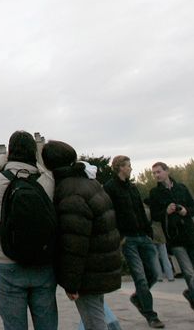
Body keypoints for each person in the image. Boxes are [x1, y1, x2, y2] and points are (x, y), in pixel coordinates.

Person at [0, 130, 57, 330]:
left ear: (9, 152)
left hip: (7, 262)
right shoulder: (47, 182)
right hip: (42, 262)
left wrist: (5, 157)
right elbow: (43, 171)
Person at [43, 141, 122, 330]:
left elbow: (75, 243)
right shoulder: (88, 182)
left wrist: (71, 283)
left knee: (94, 324)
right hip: (100, 263)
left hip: (88, 270)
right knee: (97, 318)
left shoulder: (68, 191)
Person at [103, 155, 165, 328]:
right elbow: (110, 213)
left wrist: (148, 231)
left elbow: (139, 209)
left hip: (143, 235)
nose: (130, 168)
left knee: (154, 273)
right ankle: (151, 315)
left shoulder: (132, 187)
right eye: (128, 165)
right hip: (128, 238)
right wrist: (119, 236)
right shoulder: (110, 188)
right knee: (140, 277)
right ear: (120, 167)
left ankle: (138, 297)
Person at [149, 162, 194, 324]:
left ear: (167, 171)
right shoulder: (155, 193)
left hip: (191, 235)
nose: (156, 175)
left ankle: (192, 295)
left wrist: (185, 210)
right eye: (154, 173)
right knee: (189, 273)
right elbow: (155, 216)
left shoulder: (181, 188)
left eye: (159, 172)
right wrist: (166, 211)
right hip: (175, 238)